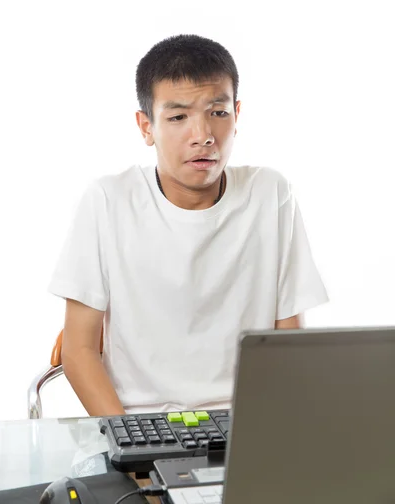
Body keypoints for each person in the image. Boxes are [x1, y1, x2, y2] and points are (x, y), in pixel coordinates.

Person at [48, 34, 329, 417]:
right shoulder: (109, 201)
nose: (203, 136)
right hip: (139, 420)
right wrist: (131, 447)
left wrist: (273, 433)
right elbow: (78, 350)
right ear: (146, 126)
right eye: (178, 117)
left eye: (218, 112)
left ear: (237, 114)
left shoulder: (270, 194)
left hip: (246, 422)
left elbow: (289, 343)